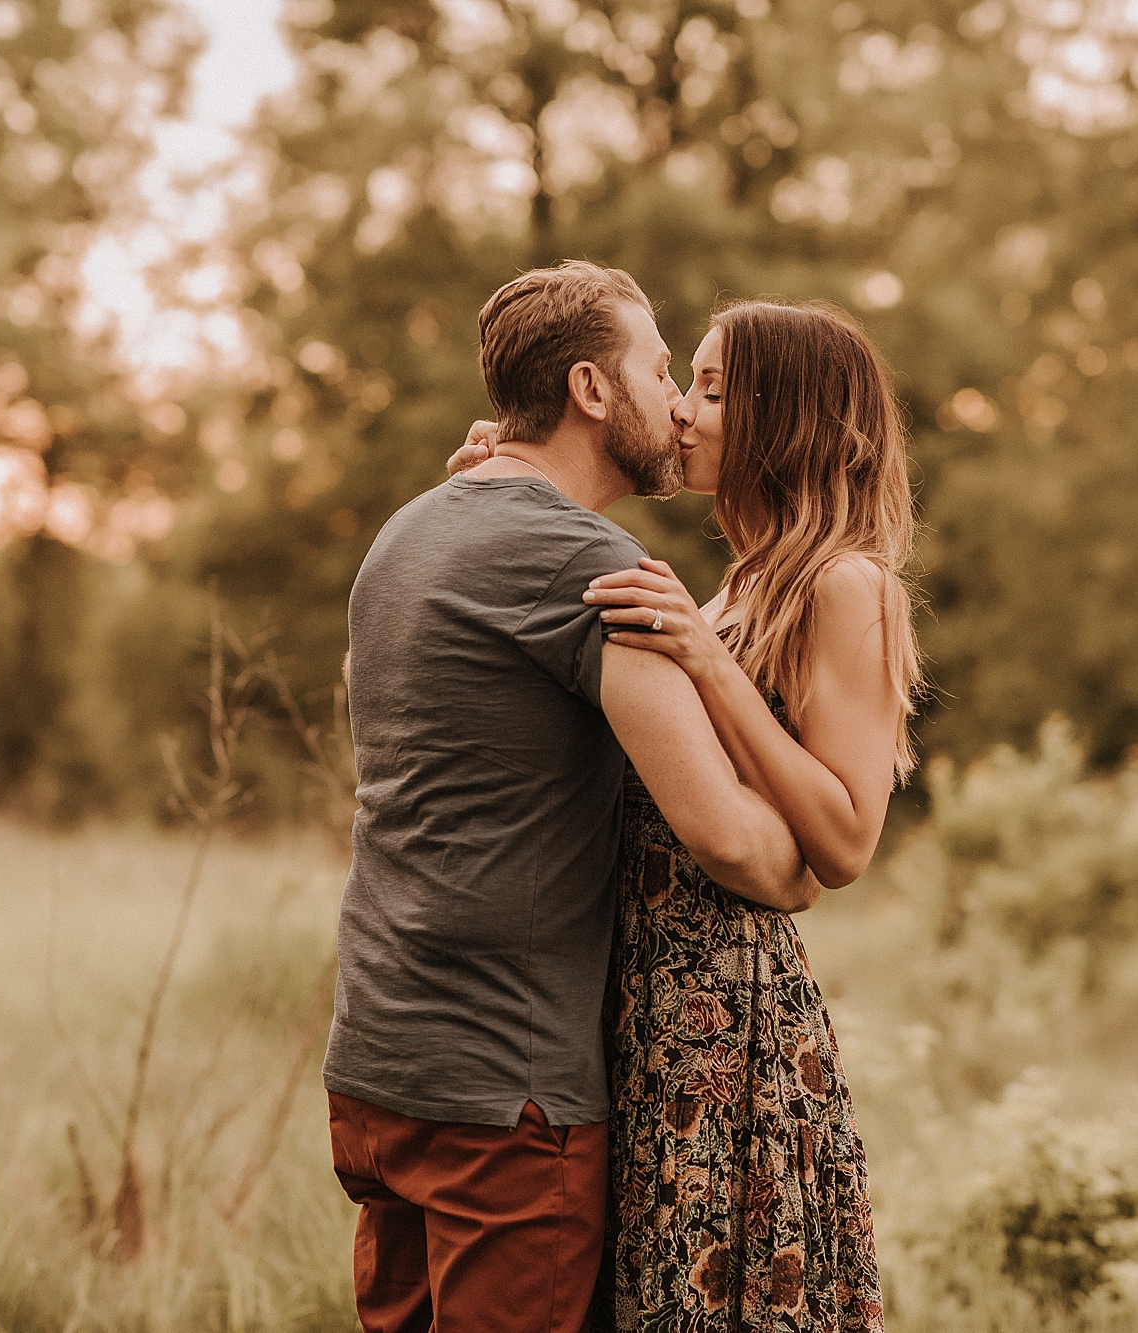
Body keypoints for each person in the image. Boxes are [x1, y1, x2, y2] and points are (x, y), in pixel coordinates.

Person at [324, 262, 820, 1333]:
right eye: (657, 368)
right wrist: (809, 862)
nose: (680, 405)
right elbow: (729, 841)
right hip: (508, 1095)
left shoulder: (407, 530)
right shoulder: (586, 564)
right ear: (593, 391)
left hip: (375, 1065)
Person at [450, 300, 921, 1332]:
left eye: (712, 389)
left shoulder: (846, 586)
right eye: (686, 383)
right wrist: (506, 482)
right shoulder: (737, 586)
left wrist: (707, 664)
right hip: (641, 1013)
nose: (685, 413)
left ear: (785, 417)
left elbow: (844, 838)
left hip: (730, 1023)